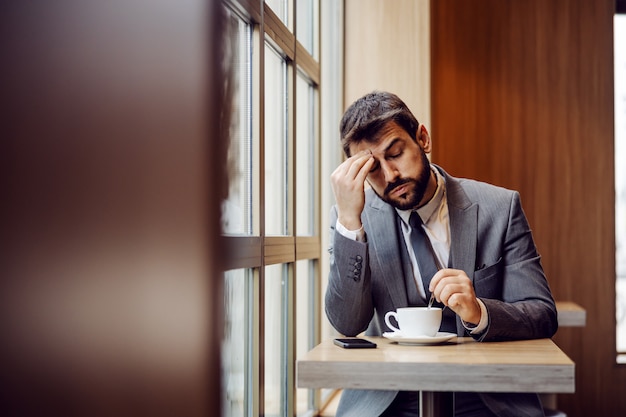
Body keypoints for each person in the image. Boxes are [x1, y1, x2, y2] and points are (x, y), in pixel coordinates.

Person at [325, 91, 558, 417]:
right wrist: (349, 223)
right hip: (390, 400)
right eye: (371, 168)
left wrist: (478, 312)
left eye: (396, 154)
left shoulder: (499, 209)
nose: (390, 176)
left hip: (484, 397)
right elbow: (347, 323)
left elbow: (542, 313)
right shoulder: (353, 218)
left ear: (423, 138)